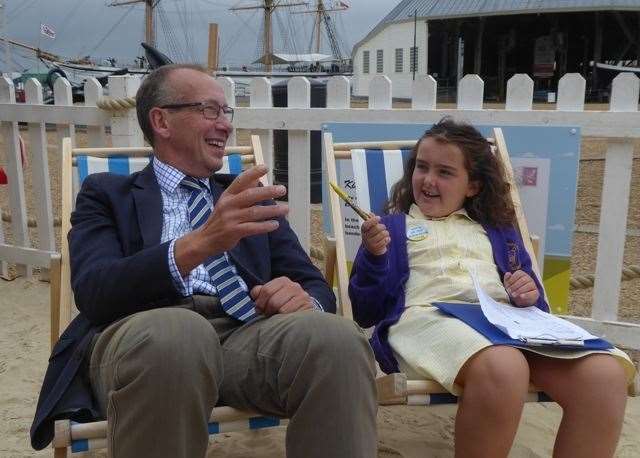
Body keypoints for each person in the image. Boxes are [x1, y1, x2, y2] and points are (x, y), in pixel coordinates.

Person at [31, 64, 377, 458]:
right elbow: (95, 291)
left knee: (338, 340)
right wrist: (199, 244)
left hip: (245, 339)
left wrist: (303, 299)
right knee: (178, 334)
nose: (225, 125)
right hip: (141, 339)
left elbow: (312, 282)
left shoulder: (243, 195)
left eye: (226, 112)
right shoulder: (107, 193)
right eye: (209, 110)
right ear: (161, 120)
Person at [349, 118, 636, 458]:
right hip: (429, 318)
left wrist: (526, 293)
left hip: (505, 322)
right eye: (422, 167)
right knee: (504, 366)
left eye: (445, 172)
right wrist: (375, 255)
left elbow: (534, 301)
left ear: (472, 186)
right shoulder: (392, 228)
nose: (428, 179)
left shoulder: (497, 230)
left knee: (604, 375)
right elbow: (365, 311)